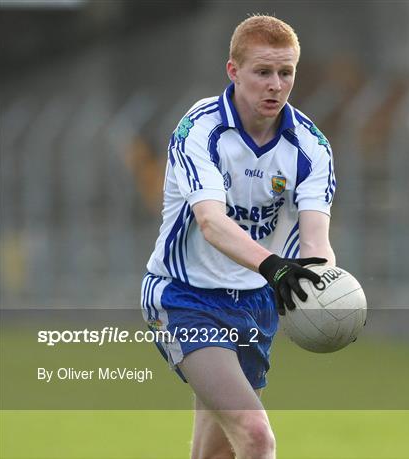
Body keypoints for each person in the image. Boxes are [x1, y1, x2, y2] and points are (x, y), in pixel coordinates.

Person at [140, 15, 336, 459]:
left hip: (256, 304)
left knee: (217, 453)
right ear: (233, 71)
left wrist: (323, 292)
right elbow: (211, 223)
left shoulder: (311, 146)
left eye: (285, 73)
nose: (276, 85)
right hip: (184, 298)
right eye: (262, 72)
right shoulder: (201, 130)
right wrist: (272, 265)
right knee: (255, 435)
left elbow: (316, 241)